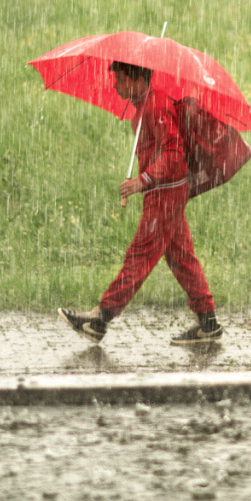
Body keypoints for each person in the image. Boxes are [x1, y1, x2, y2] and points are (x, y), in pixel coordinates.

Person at [58, 61, 222, 346]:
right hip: (166, 193)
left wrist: (141, 181)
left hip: (165, 194)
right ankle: (208, 322)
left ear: (137, 80)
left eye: (120, 79)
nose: (115, 85)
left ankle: (100, 319)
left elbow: (173, 155)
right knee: (181, 258)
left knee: (140, 256)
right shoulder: (144, 104)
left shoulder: (156, 106)